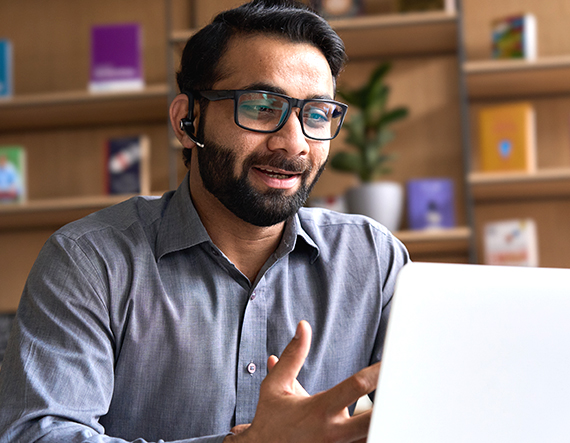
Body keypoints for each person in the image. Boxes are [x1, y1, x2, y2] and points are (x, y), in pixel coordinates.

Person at [0, 0, 409, 441]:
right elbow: (39, 434)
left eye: (316, 114)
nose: (295, 145)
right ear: (186, 121)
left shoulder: (373, 259)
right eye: (260, 106)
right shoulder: (90, 261)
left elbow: (441, 411)